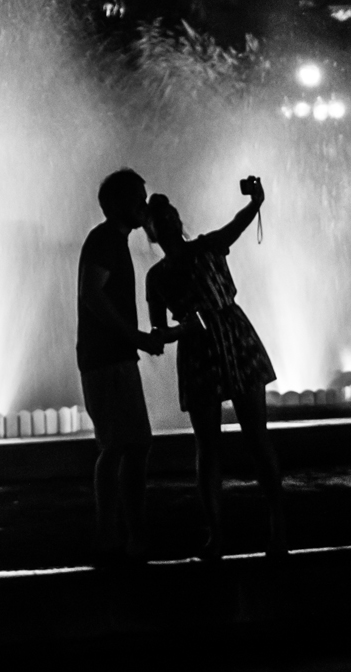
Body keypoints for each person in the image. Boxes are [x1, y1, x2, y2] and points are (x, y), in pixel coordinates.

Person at [145, 179, 287, 559]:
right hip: (199, 349)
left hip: (233, 337)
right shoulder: (156, 278)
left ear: (177, 220)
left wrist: (256, 201)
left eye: (170, 213)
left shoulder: (207, 245)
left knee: (256, 436)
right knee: (208, 446)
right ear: (151, 232)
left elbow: (236, 226)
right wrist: (179, 330)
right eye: (158, 218)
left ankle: (276, 529)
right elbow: (159, 332)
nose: (168, 220)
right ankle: (217, 534)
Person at [78, 167, 164, 561]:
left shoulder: (112, 241)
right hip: (108, 358)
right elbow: (92, 296)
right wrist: (134, 337)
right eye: (138, 199)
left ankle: (124, 533)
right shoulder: (105, 240)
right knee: (120, 446)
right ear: (117, 204)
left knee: (129, 445)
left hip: (113, 356)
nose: (144, 206)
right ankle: (114, 535)